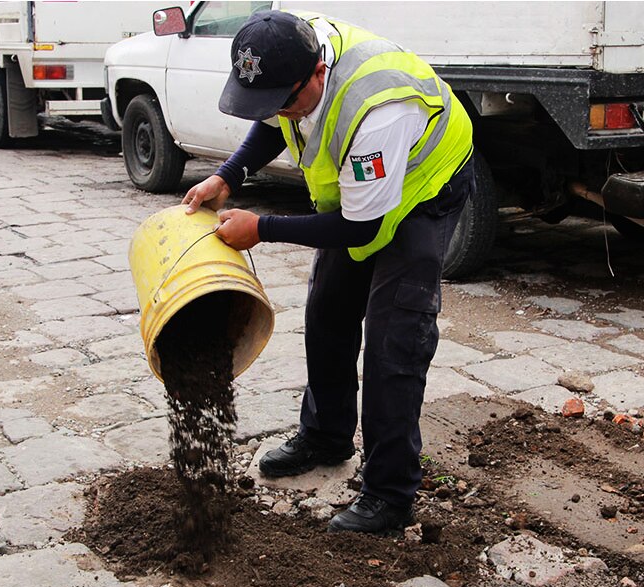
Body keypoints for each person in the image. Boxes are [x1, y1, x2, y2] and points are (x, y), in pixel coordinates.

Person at [183, 10, 474, 534]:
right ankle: (326, 436)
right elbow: (274, 123)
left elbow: (362, 229)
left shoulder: (378, 110)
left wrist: (262, 228)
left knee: (394, 340)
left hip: (424, 188)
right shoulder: (289, 48)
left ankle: (389, 494)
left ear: (318, 73)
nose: (280, 112)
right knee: (327, 312)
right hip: (361, 197)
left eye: (286, 100)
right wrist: (226, 177)